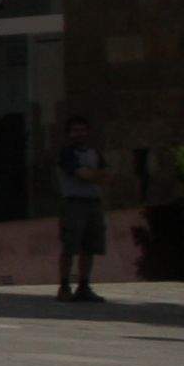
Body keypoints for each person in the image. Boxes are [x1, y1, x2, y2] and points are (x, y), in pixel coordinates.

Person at [56, 115, 109, 304]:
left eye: (82, 130)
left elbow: (105, 175)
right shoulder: (67, 153)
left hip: (93, 202)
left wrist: (91, 175)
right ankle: (64, 286)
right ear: (69, 133)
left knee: (90, 246)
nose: (79, 134)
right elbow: (82, 174)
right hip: (74, 203)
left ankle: (84, 285)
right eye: (75, 130)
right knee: (70, 246)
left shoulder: (95, 153)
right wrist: (92, 175)